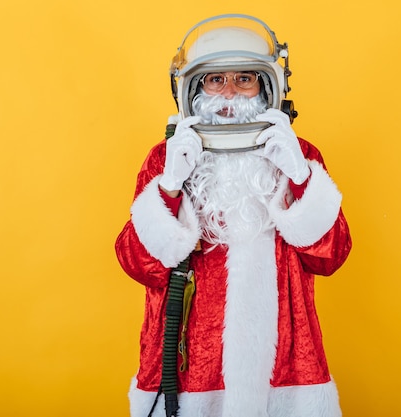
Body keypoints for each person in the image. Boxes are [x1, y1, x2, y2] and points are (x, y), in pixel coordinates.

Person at [115, 14, 352, 417]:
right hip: (190, 371)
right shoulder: (165, 159)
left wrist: (300, 176)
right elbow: (139, 265)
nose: (229, 93)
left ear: (268, 87)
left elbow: (330, 258)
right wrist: (170, 187)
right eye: (215, 79)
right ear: (192, 88)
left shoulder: (299, 155)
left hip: (286, 371)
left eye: (245, 79)